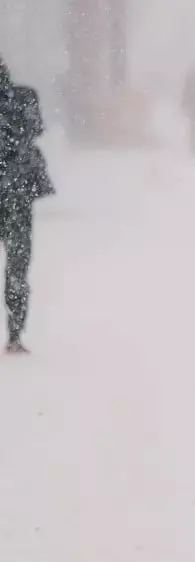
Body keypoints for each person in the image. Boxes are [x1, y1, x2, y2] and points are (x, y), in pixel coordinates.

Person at [0, 56, 53, 354]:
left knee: (18, 267)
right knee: (18, 267)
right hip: (17, 193)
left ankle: (16, 333)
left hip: (15, 190)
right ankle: (15, 334)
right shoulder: (23, 97)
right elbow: (34, 129)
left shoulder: (21, 97)